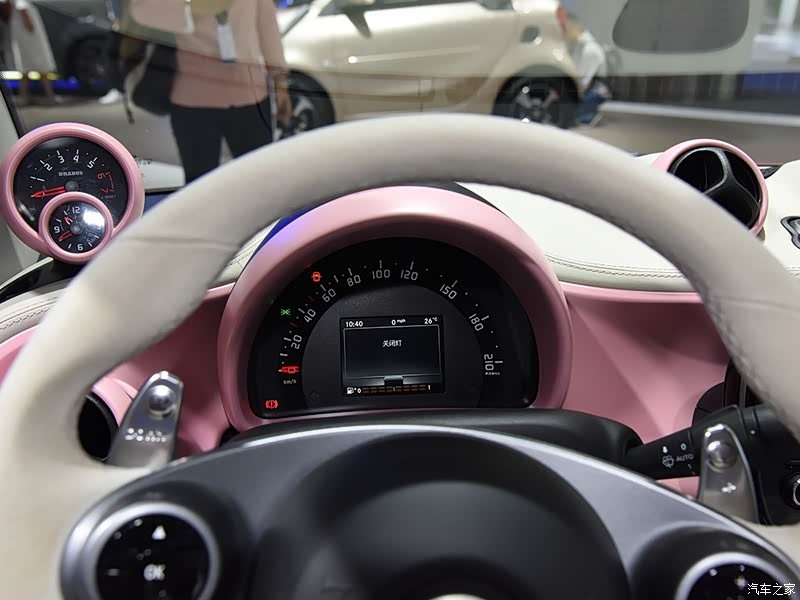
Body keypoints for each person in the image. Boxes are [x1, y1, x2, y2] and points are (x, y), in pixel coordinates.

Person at [130, 0, 292, 183]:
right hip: (194, 99)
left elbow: (267, 26)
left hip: (248, 94)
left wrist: (280, 82)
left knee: (260, 179)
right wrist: (190, 6)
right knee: (200, 184)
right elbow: (140, 11)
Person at [564, 12, 610, 126]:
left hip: (594, 92)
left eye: (565, 28)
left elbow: (584, 83)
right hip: (586, 88)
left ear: (574, 27)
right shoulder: (579, 47)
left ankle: (588, 115)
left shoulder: (590, 50)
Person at [9, 0, 57, 105]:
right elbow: (23, 10)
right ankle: (49, 95)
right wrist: (30, 27)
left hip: (27, 37)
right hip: (29, 38)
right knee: (40, 66)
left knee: (26, 68)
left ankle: (24, 96)